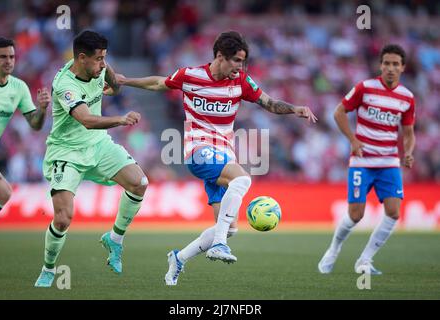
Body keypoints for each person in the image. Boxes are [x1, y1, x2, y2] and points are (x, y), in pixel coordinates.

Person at [115, 31, 317, 285]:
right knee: (243, 180)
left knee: (230, 226)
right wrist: (125, 80)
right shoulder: (191, 75)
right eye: (235, 60)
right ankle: (218, 244)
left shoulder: (242, 81)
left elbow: (268, 102)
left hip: (223, 155)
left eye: (243, 61)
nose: (239, 66)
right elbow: (158, 83)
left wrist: (294, 108)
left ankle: (179, 258)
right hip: (198, 151)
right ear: (220, 56)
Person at [34, 30, 148, 287]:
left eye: (105, 58)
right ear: (82, 58)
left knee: (139, 182)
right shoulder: (65, 85)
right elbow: (86, 120)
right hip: (67, 152)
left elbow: (115, 88)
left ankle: (114, 239)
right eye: (99, 59)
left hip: (97, 146)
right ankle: (49, 269)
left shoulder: (98, 68)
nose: (102, 63)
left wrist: (108, 72)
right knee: (63, 218)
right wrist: (120, 119)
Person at [318, 44, 416, 275]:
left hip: (388, 162)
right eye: (386, 63)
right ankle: (333, 249)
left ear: (402, 67)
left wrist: (409, 152)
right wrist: (352, 140)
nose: (390, 68)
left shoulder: (407, 98)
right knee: (356, 214)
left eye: (395, 64)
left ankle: (364, 260)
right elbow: (339, 112)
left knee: (393, 212)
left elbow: (409, 133)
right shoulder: (365, 88)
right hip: (362, 161)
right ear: (380, 65)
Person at [0, 37, 51, 223]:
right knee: (4, 191)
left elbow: (35, 124)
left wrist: (41, 109)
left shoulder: (19, 88)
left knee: (2, 193)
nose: (8, 61)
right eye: (3, 57)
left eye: (12, 57)